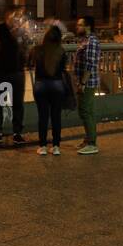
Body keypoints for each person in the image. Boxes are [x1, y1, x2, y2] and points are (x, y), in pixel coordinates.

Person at [0, 1, 26, 145]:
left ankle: (17, 133)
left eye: (21, 16)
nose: (19, 18)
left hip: (17, 71)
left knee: (17, 104)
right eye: (16, 15)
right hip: (1, 71)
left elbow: (26, 48)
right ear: (8, 15)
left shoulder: (22, 31)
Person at [30, 25, 68, 155]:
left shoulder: (37, 49)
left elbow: (29, 62)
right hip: (57, 85)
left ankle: (42, 146)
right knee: (56, 116)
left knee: (43, 116)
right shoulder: (61, 51)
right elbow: (63, 68)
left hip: (41, 85)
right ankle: (56, 146)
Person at [74, 17, 101, 155]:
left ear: (88, 26)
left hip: (88, 83)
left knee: (86, 111)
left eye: (80, 25)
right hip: (83, 82)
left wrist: (83, 83)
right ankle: (88, 139)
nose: (77, 27)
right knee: (85, 110)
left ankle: (92, 143)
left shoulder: (92, 41)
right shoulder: (85, 40)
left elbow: (90, 64)